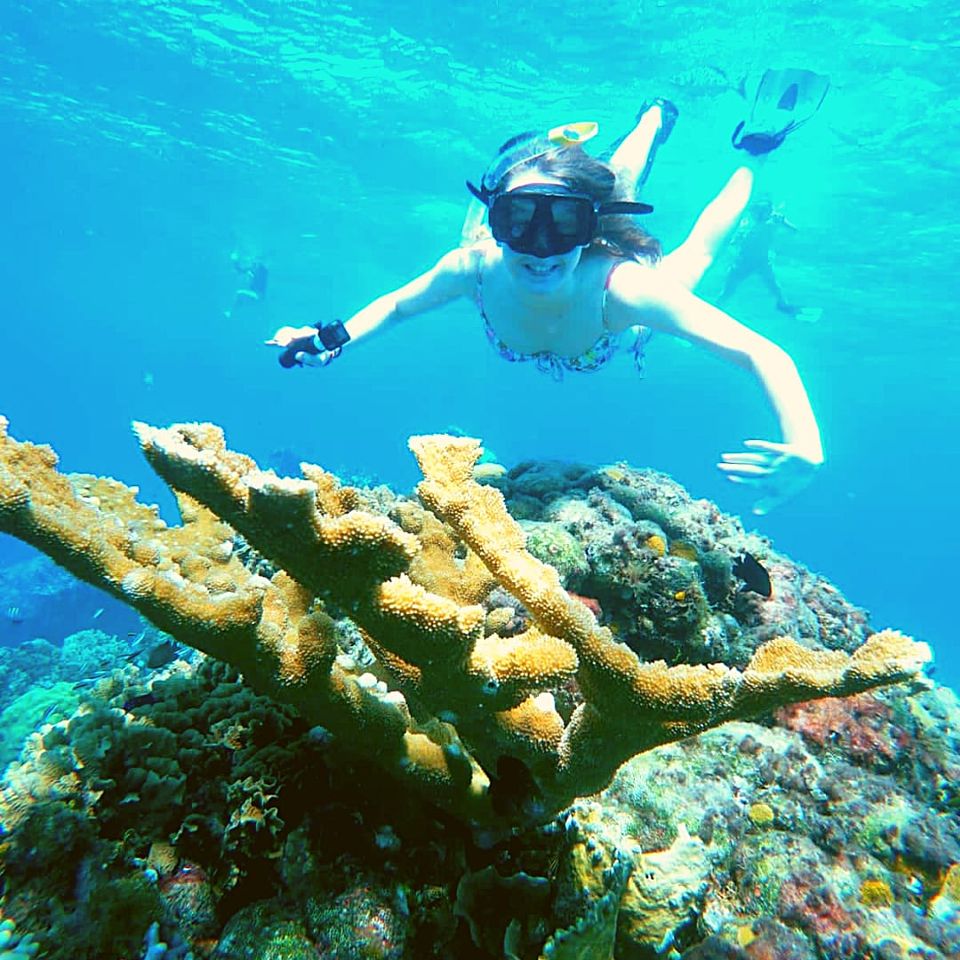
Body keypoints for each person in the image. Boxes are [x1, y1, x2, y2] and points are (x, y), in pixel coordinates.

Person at [268, 101, 823, 515]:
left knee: (691, 246)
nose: (539, 247)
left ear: (587, 230)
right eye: (516, 222)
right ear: (497, 223)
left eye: (563, 224)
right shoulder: (471, 267)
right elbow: (395, 307)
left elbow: (760, 353)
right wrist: (326, 340)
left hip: (617, 317)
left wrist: (805, 442)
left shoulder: (626, 290)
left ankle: (748, 157)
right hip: (513, 264)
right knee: (588, 192)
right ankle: (642, 126)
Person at [719, 197, 801, 316]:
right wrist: (735, 243)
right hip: (743, 262)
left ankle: (783, 305)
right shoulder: (746, 225)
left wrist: (784, 223)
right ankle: (717, 306)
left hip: (761, 261)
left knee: (775, 286)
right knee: (728, 290)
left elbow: (794, 231)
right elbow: (731, 243)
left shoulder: (772, 223)